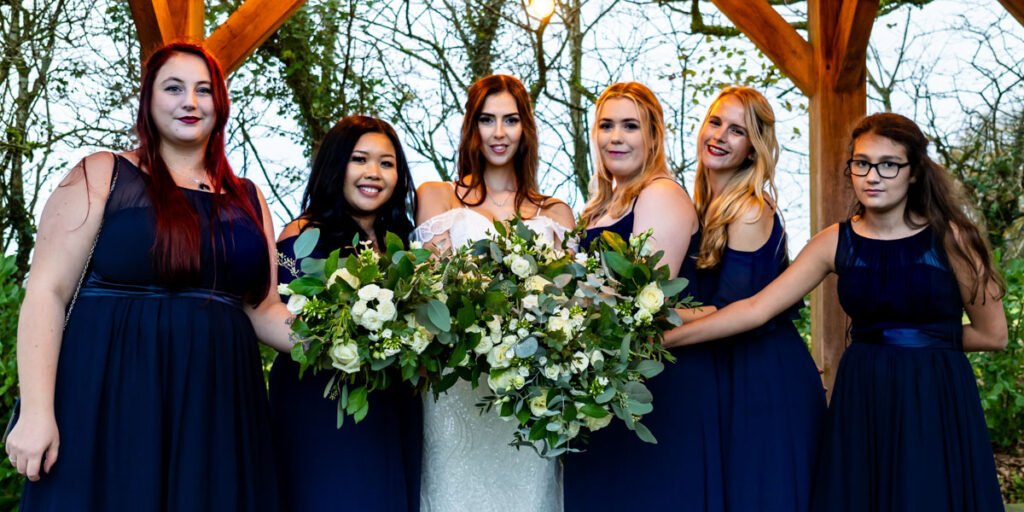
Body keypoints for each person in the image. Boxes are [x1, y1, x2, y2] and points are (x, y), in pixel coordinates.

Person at [665, 112, 1008, 511]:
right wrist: (665, 337)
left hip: (934, 395)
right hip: (863, 394)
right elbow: (756, 309)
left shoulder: (951, 238)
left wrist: (922, 344)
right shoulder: (834, 241)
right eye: (861, 163)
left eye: (888, 165)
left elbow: (993, 335)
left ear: (914, 172)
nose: (872, 176)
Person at [5, 42, 294, 510]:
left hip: (215, 407)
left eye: (204, 90)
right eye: (174, 88)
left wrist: (342, 342)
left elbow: (263, 309)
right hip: (109, 396)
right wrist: (36, 412)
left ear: (220, 103)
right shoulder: (102, 174)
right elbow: (47, 292)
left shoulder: (247, 197)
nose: (190, 102)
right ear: (148, 99)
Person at [413, 74, 575, 512]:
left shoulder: (555, 212)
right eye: (487, 120)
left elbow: (566, 305)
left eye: (510, 120)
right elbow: (431, 287)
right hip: (455, 386)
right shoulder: (439, 196)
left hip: (529, 390)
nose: (499, 133)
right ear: (472, 126)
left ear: (526, 129)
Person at [561, 82, 719, 511]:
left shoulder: (660, 194)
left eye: (630, 126)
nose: (616, 137)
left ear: (653, 136)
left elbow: (642, 302)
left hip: (654, 383)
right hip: (604, 380)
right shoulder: (597, 207)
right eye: (606, 125)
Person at [269, 116, 422, 511]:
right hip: (322, 407)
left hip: (392, 406)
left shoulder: (406, 245)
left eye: (387, 163)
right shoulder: (302, 236)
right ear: (336, 165)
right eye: (360, 159)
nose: (374, 173)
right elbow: (286, 318)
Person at [686, 86, 825, 511]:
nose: (720, 136)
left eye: (737, 131)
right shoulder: (700, 205)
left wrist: (651, 318)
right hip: (721, 368)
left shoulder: (747, 209)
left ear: (752, 149)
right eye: (716, 122)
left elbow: (735, 309)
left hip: (762, 376)